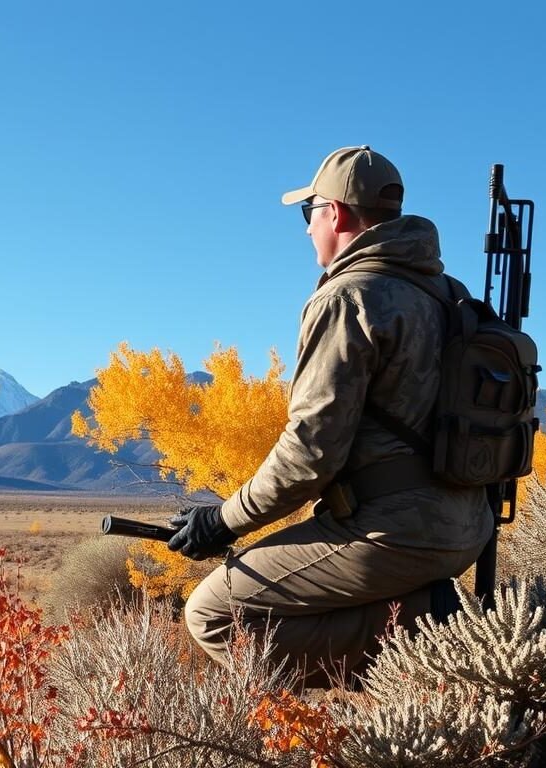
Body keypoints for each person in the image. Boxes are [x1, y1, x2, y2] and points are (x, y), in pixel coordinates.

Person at [169, 146, 493, 687]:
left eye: (308, 212)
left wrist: (221, 520)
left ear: (337, 214)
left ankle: (423, 629)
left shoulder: (349, 297)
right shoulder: (448, 295)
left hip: (396, 534)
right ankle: (425, 618)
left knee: (214, 614)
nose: (306, 229)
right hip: (469, 526)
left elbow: (308, 454)